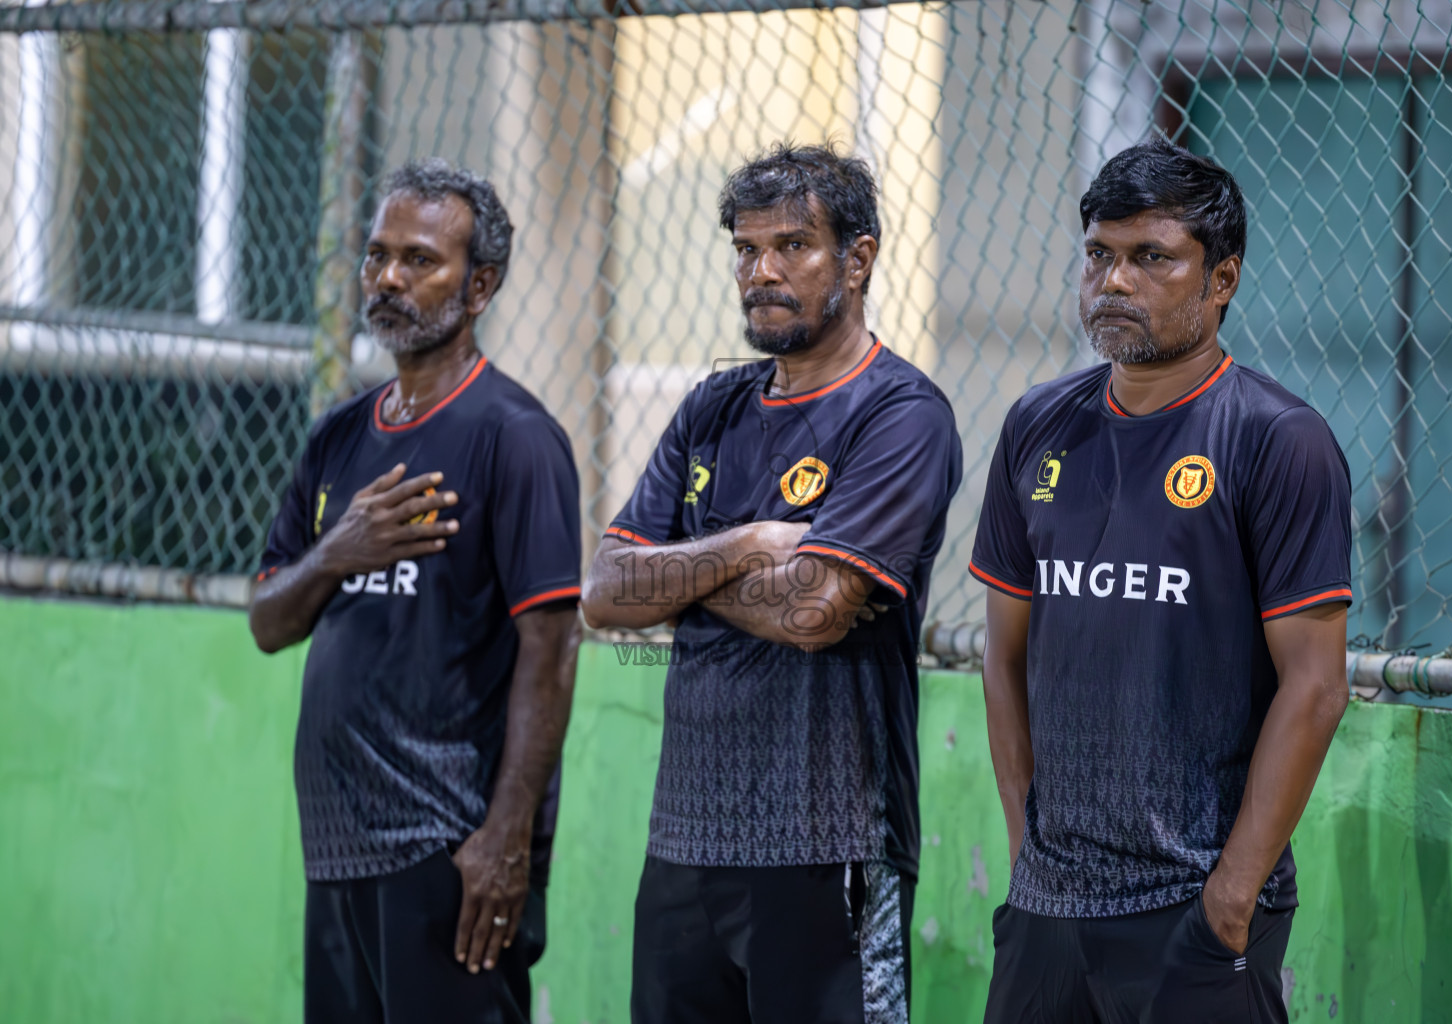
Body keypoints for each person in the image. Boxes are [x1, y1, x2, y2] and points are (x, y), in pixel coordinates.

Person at [971, 136, 1352, 1023]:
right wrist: (1029, 852)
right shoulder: (1036, 425)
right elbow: (1004, 658)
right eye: (1100, 255)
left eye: (1152, 258)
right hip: (1049, 913)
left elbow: (1317, 685)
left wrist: (1231, 897)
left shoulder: (1275, 439)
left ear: (1220, 280)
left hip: (1195, 907)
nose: (1114, 280)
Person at [581, 142, 962, 1024]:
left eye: (792, 246)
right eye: (747, 251)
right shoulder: (711, 408)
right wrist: (751, 540)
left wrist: (675, 572)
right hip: (684, 844)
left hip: (826, 845)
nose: (763, 271)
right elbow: (604, 593)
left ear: (857, 259)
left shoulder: (900, 415)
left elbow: (816, 609)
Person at [248, 159, 582, 1024]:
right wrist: (336, 554)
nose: (389, 278)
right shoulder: (337, 438)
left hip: (449, 850)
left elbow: (550, 652)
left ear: (480, 287)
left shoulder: (517, 440)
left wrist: (507, 840)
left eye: (420, 260)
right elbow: (267, 622)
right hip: (336, 845)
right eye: (377, 256)